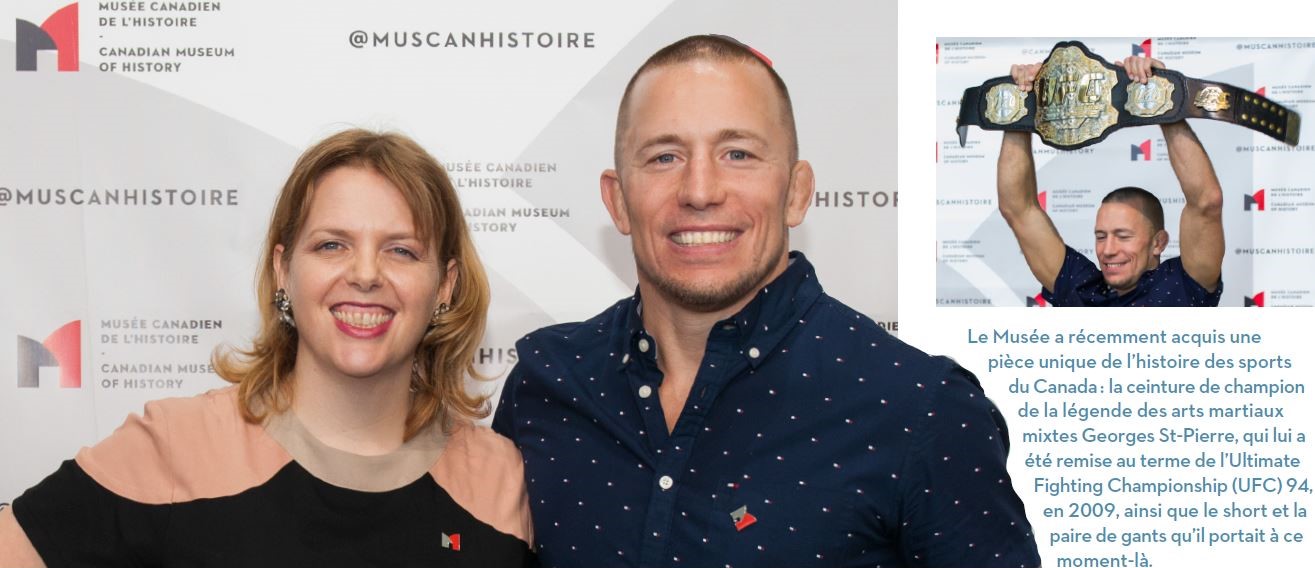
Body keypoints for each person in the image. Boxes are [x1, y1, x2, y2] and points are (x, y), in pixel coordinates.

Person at [493, 35, 1040, 568]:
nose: (700, 190)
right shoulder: (546, 382)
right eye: (664, 157)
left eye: (738, 154)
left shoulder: (922, 407)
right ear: (617, 201)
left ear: (797, 192)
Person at [0, 129, 532, 566]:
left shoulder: (501, 482)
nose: (366, 274)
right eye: (332, 245)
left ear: (445, 285)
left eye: (401, 251)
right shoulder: (176, 445)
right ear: (283, 270)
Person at [997, 56, 1226, 307]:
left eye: (1123, 236)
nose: (1108, 250)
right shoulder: (1080, 289)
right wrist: (1020, 101)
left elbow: (1206, 202)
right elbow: (1018, 210)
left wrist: (1163, 96)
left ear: (1158, 242)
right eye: (1101, 236)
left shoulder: (1183, 285)